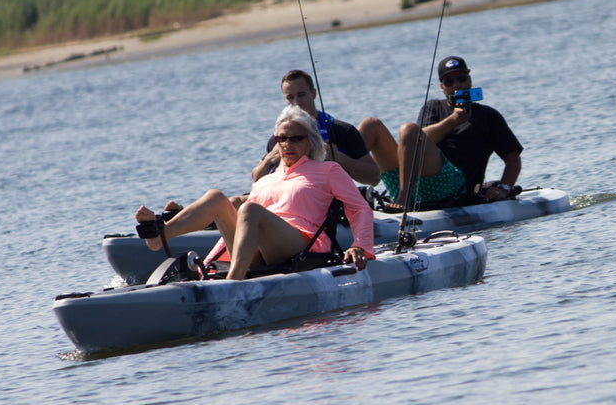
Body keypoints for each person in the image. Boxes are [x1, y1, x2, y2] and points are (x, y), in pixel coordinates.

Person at [136, 105, 375, 280]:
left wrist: (360, 246)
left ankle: (233, 282)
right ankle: (160, 236)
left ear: (311, 142)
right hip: (259, 248)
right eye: (281, 138)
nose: (287, 144)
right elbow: (244, 220)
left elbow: (359, 208)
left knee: (249, 209)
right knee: (218, 198)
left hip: (302, 244)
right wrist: (206, 265)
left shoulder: (328, 170)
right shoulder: (267, 180)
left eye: (295, 138)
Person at [358, 55, 523, 212]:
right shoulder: (433, 107)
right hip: (408, 182)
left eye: (461, 79)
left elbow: (513, 159)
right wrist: (452, 121)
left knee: (408, 129)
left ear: (470, 80)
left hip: (451, 186)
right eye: (449, 81)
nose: (456, 85)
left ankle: (403, 201)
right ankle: (341, 192)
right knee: (370, 125)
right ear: (442, 87)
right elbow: (419, 139)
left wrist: (504, 188)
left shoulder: (488, 116)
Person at [251, 69, 380, 186]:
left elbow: (374, 178)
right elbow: (256, 181)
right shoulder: (280, 138)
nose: (296, 103)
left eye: (301, 95)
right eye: (290, 98)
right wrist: (269, 159)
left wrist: (341, 158)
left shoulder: (342, 131)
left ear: (313, 94)